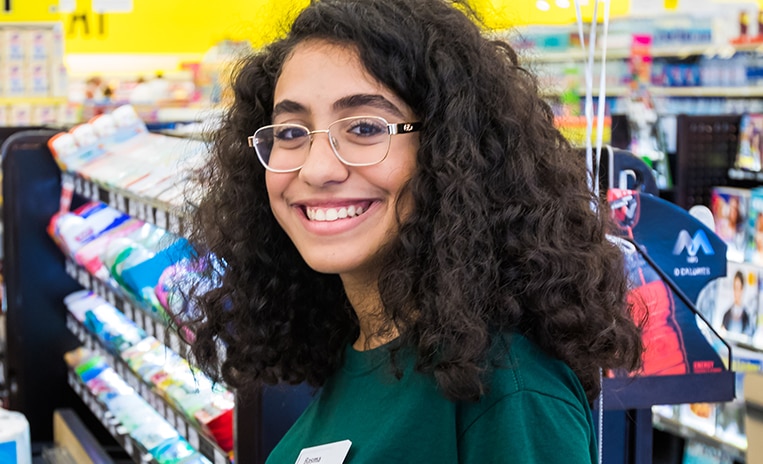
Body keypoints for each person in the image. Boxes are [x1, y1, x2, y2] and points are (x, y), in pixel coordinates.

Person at [180, 0, 644, 462]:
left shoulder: (511, 390)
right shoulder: (366, 346)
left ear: (452, 151)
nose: (317, 168)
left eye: (364, 127)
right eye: (290, 132)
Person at [722, 270, 754, 337]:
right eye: (735, 288)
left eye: (738, 288)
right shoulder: (726, 314)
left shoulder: (747, 317)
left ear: (742, 289)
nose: (736, 292)